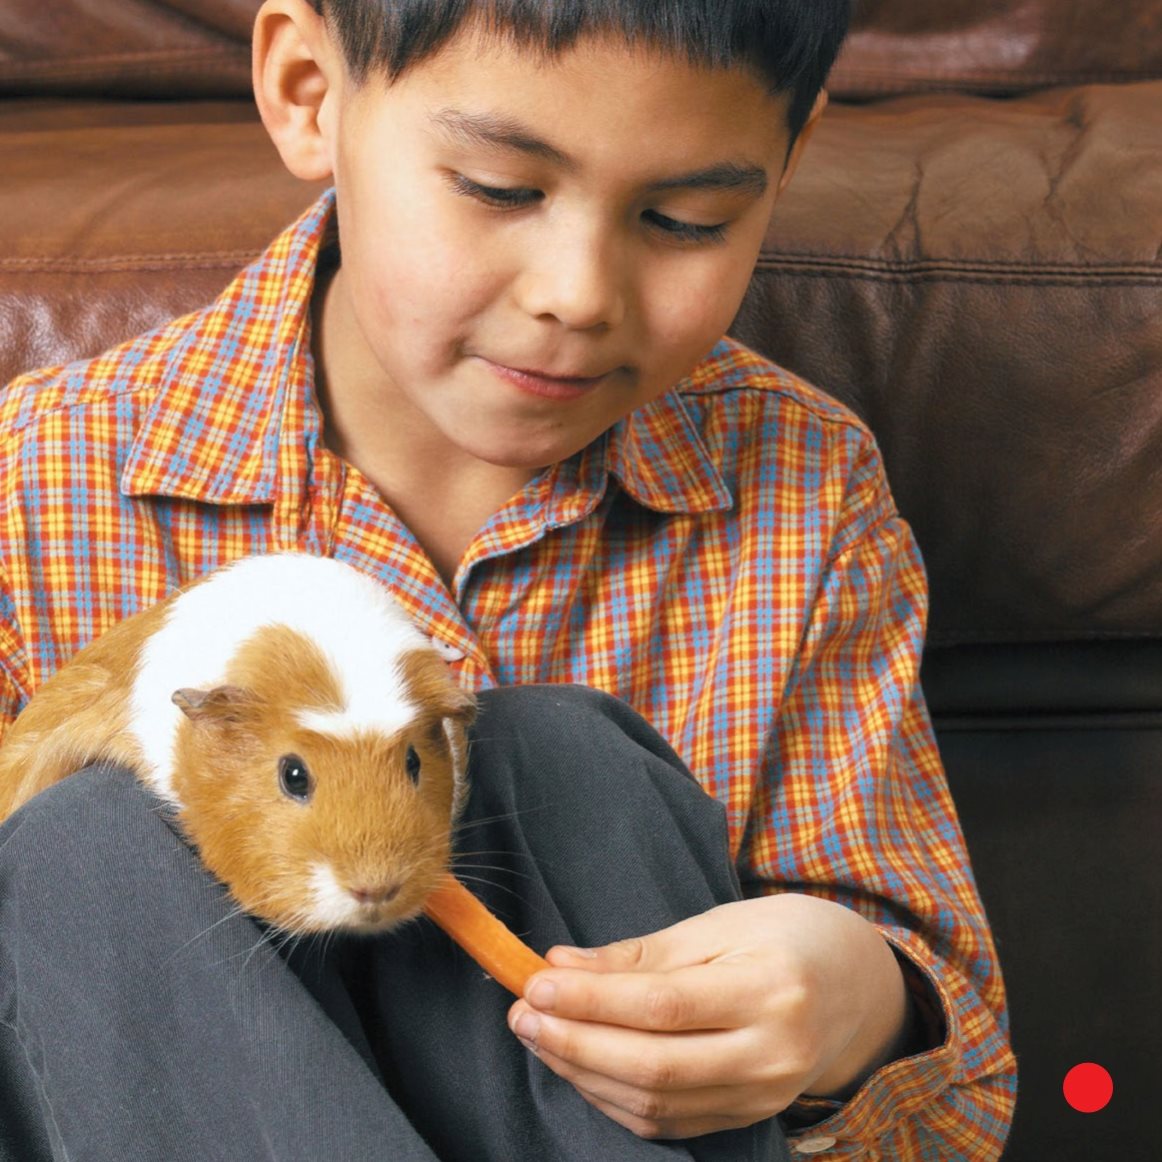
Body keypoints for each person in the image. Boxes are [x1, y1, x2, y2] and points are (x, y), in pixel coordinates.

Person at [0, 1, 1017, 1158]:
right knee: (79, 845)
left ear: (787, 163)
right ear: (305, 92)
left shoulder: (805, 490)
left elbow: (958, 1095)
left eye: (684, 218)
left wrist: (849, 1002)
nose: (576, 294)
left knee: (563, 760)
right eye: (497, 187)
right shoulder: (35, 483)